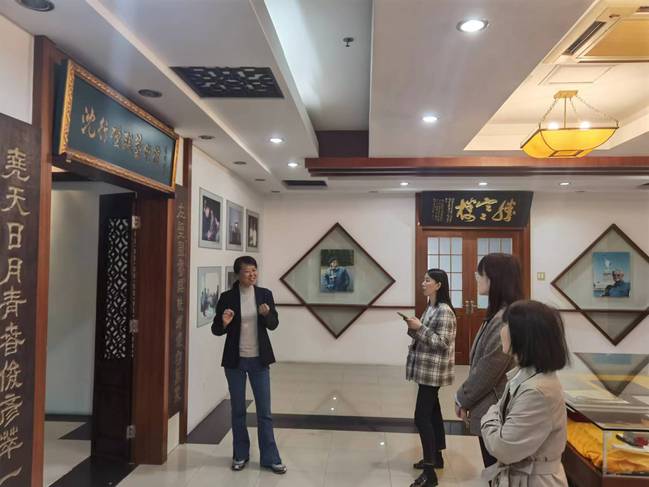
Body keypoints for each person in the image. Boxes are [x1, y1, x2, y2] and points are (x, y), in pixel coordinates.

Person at [480, 300, 570, 487]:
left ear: (524, 335)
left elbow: (503, 447)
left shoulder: (537, 392)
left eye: (507, 325)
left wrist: (487, 419)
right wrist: (495, 416)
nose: (502, 330)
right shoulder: (524, 375)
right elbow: (498, 410)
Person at [211, 256, 286, 474]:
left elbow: (273, 324)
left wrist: (267, 314)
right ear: (238, 274)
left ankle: (270, 458)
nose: (252, 274)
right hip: (235, 361)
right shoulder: (227, 297)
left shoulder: (265, 295)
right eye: (247, 271)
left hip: (259, 360)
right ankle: (240, 454)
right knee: (238, 410)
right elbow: (216, 329)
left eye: (254, 270)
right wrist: (223, 323)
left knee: (264, 412)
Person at [455, 253, 523, 468]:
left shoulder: (504, 318)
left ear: (495, 278)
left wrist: (462, 398)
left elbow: (489, 368)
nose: (476, 277)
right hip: (490, 406)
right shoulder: (497, 314)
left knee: (496, 469)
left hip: (495, 409)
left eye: (480, 273)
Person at [404, 269, 457, 487]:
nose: (423, 283)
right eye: (423, 279)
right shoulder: (431, 307)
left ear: (438, 285)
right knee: (433, 414)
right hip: (426, 370)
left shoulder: (444, 311)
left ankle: (429, 472)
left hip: (433, 373)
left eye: (428, 280)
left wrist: (420, 328)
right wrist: (414, 327)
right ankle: (436, 458)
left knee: (421, 418)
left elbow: (442, 343)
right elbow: (425, 334)